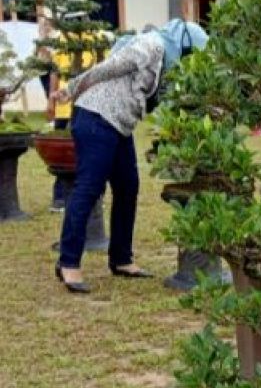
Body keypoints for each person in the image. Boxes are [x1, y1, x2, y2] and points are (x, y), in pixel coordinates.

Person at [55, 19, 208, 293]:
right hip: (96, 117)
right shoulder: (151, 46)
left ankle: (121, 259)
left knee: (128, 188)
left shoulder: (168, 63)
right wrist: (71, 88)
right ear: (185, 45)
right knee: (89, 189)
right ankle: (68, 262)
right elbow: (108, 67)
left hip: (119, 124)